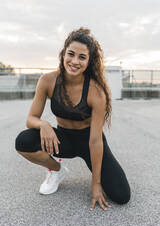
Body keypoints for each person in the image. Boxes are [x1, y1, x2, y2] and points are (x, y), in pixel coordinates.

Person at [15, 27, 131, 211]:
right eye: (71, 54)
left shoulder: (96, 91)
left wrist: (96, 184)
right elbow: (31, 118)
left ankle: (97, 176)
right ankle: (56, 171)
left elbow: (95, 141)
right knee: (23, 141)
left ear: (89, 61)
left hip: (89, 141)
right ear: (63, 54)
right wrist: (43, 124)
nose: (74, 61)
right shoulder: (47, 81)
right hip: (62, 139)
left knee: (122, 195)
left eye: (82, 57)